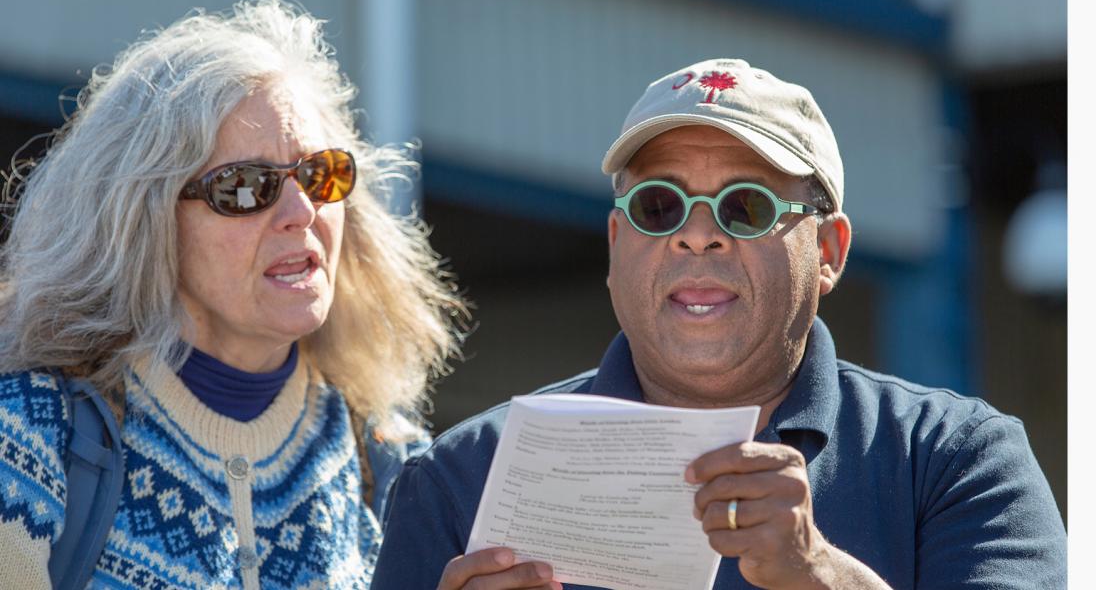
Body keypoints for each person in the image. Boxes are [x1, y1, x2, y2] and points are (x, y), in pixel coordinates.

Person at [372, 58, 1067, 589]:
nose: (696, 236)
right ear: (617, 248)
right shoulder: (458, 482)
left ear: (827, 253)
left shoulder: (960, 463)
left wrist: (818, 573)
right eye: (658, 207)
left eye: (744, 206)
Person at [0, 0, 465, 588]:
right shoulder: (28, 437)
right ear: (146, 219)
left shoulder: (391, 461)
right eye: (245, 187)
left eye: (319, 174)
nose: (301, 212)